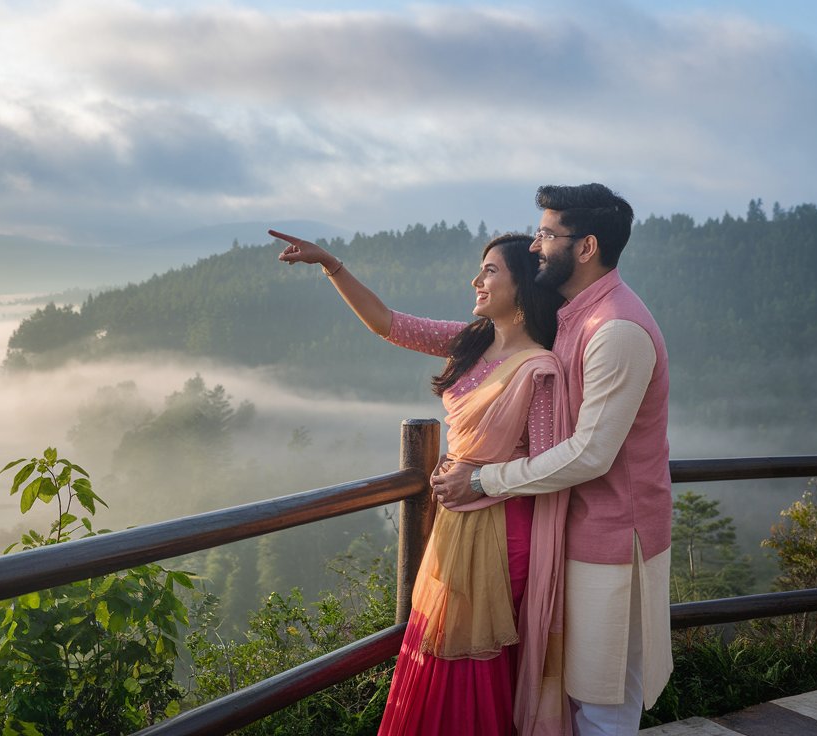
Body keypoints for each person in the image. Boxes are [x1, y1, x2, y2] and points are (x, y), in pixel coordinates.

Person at [272, 228, 573, 735]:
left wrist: (477, 481)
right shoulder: (472, 342)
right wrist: (332, 266)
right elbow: (388, 323)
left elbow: (548, 467)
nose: (476, 279)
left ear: (522, 285)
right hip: (454, 523)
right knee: (436, 648)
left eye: (491, 270)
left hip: (502, 533)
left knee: (473, 662)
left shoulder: (540, 368)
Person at [433, 184, 673, 736]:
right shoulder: (573, 319)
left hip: (611, 538)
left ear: (585, 247)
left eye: (546, 234)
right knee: (578, 691)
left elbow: (591, 452)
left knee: (603, 697)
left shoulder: (615, 329)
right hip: (572, 532)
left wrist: (486, 479)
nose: (536, 245)